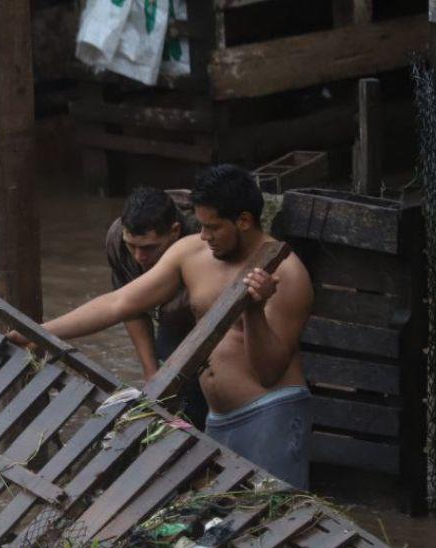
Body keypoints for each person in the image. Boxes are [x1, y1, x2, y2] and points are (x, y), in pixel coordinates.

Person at [30, 164, 314, 489]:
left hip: (270, 414)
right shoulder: (191, 252)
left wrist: (253, 311)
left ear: (245, 221)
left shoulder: (287, 274)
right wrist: (38, 332)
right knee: (216, 528)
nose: (204, 236)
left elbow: (268, 372)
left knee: (274, 527)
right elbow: (119, 303)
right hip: (217, 419)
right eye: (201, 225)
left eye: (213, 227)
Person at [106, 186, 207, 428]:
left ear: (174, 232)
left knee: (200, 394)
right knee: (164, 385)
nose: (139, 257)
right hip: (169, 314)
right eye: (133, 246)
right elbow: (129, 308)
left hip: (200, 312)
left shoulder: (201, 241)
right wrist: (151, 372)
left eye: (149, 248)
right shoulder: (118, 241)